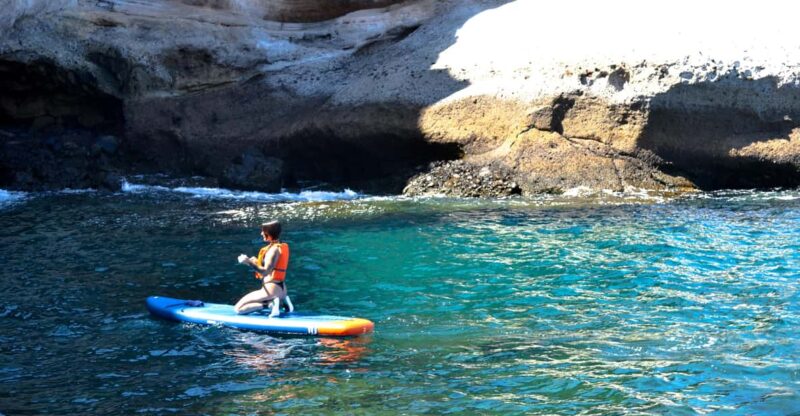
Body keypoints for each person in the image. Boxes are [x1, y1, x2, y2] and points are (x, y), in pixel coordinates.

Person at [234, 221, 293, 316]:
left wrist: (248, 262)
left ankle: (271, 304)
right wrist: (254, 261)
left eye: (263, 231)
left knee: (238, 309)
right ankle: (281, 302)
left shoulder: (273, 250)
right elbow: (273, 268)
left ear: (269, 234)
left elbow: (265, 271)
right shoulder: (281, 246)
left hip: (271, 290)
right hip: (281, 289)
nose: (261, 233)